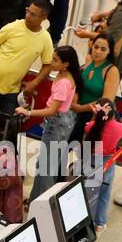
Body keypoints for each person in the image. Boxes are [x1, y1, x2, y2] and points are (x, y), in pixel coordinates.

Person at [0, 0, 55, 128]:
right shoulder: (14, 26)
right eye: (28, 11)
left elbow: (48, 64)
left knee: (8, 125)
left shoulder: (45, 39)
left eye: (33, 14)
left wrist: (34, 83)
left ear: (44, 18)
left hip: (12, 90)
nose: (28, 16)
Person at [18, 44, 83, 200]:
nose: (51, 62)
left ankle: (42, 202)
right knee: (48, 165)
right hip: (64, 121)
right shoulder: (67, 76)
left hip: (57, 124)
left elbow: (52, 110)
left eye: (55, 60)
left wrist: (28, 112)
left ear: (66, 64)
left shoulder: (63, 83)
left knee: (46, 168)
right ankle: (37, 199)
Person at [84, 102, 122, 230]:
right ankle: (100, 222)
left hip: (92, 161)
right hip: (109, 161)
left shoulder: (92, 126)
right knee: (105, 192)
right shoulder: (118, 128)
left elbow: (88, 128)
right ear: (113, 112)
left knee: (89, 193)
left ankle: (85, 220)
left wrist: (95, 117)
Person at [70, 34, 120, 139]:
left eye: (103, 49)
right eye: (96, 47)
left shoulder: (112, 71)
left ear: (109, 51)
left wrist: (81, 108)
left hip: (94, 117)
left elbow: (106, 101)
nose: (97, 51)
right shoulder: (89, 61)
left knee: (86, 152)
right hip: (76, 112)